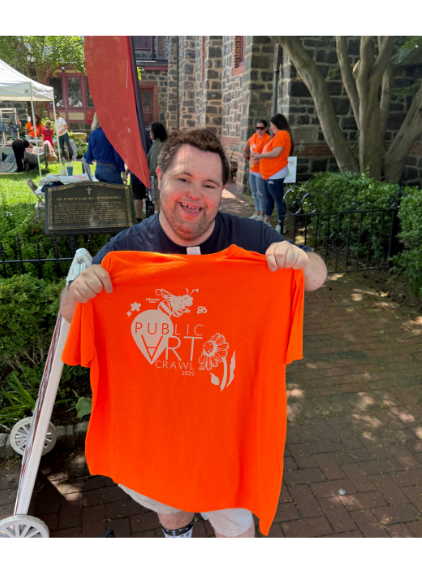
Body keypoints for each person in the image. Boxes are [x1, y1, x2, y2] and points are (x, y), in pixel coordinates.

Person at [59, 128, 327, 538]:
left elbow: (316, 276)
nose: (194, 194)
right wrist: (78, 292)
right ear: (160, 178)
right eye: (183, 179)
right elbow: (69, 315)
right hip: (157, 432)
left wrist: (301, 260)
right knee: (170, 507)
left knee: (235, 527)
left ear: (222, 192)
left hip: (227, 433)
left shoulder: (252, 240)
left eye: (209, 184)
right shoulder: (125, 252)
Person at [251, 113, 293, 229]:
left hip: (276, 173)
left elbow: (276, 153)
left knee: (278, 200)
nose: (270, 128)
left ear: (277, 124)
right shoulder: (278, 135)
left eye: (271, 125)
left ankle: (281, 224)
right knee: (269, 198)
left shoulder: (282, 135)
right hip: (268, 174)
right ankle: (266, 221)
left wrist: (261, 155)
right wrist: (261, 158)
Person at [82, 114, 126, 184]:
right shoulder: (112, 133)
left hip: (99, 167)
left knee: (104, 193)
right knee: (119, 192)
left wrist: (88, 159)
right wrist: (123, 171)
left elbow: (89, 156)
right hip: (111, 168)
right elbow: (118, 154)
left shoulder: (93, 133)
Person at [241, 119, 271, 221]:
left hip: (261, 171)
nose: (259, 130)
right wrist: (244, 151)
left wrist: (261, 159)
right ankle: (257, 212)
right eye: (257, 128)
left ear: (266, 129)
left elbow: (270, 155)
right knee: (254, 192)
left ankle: (261, 214)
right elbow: (248, 142)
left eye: (261, 128)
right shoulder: (254, 136)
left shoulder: (268, 139)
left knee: (260, 193)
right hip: (252, 169)